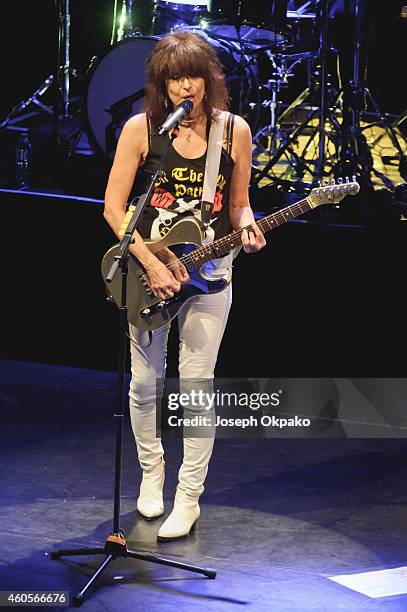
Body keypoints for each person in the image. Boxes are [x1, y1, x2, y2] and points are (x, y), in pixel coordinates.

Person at [103, 30, 265, 541]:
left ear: (208, 79)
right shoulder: (140, 128)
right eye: (173, 79)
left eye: (191, 76)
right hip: (148, 275)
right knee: (145, 383)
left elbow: (239, 202)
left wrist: (249, 222)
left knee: (196, 389)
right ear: (162, 84)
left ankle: (188, 497)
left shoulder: (234, 131)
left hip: (210, 274)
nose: (183, 87)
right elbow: (114, 208)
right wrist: (149, 262)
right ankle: (152, 477)